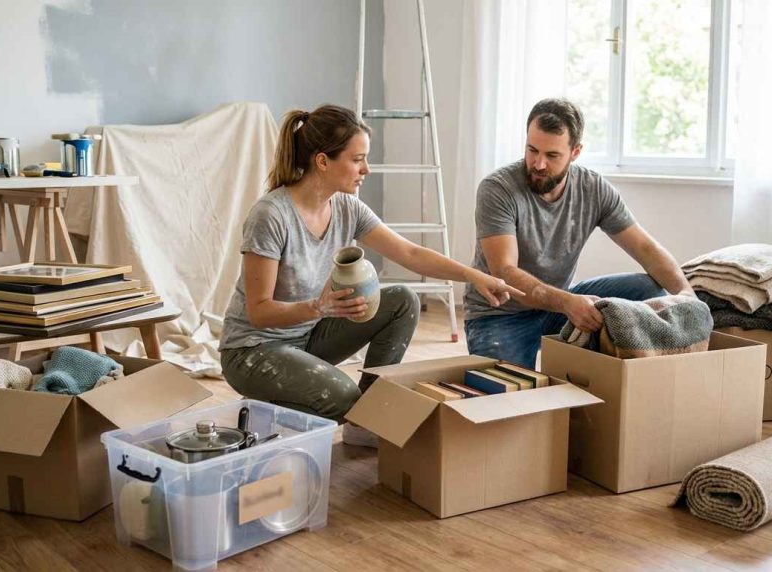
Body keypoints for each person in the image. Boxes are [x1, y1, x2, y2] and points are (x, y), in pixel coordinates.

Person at [220, 104, 519, 446]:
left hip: (305, 340)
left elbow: (410, 253)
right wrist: (319, 308)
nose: (367, 169)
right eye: (357, 159)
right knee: (343, 396)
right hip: (253, 351)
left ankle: (364, 421)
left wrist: (475, 276)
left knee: (402, 300)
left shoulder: (347, 207)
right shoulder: (271, 216)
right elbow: (259, 312)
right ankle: (274, 411)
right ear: (322, 161)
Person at [463, 98, 694, 369]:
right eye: (532, 150)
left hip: (558, 304)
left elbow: (645, 248)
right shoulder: (497, 189)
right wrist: (568, 303)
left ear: (575, 152)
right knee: (505, 399)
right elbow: (504, 270)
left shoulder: (593, 188)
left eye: (551, 156)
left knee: (647, 287)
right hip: (499, 314)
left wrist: (687, 296)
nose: (538, 164)